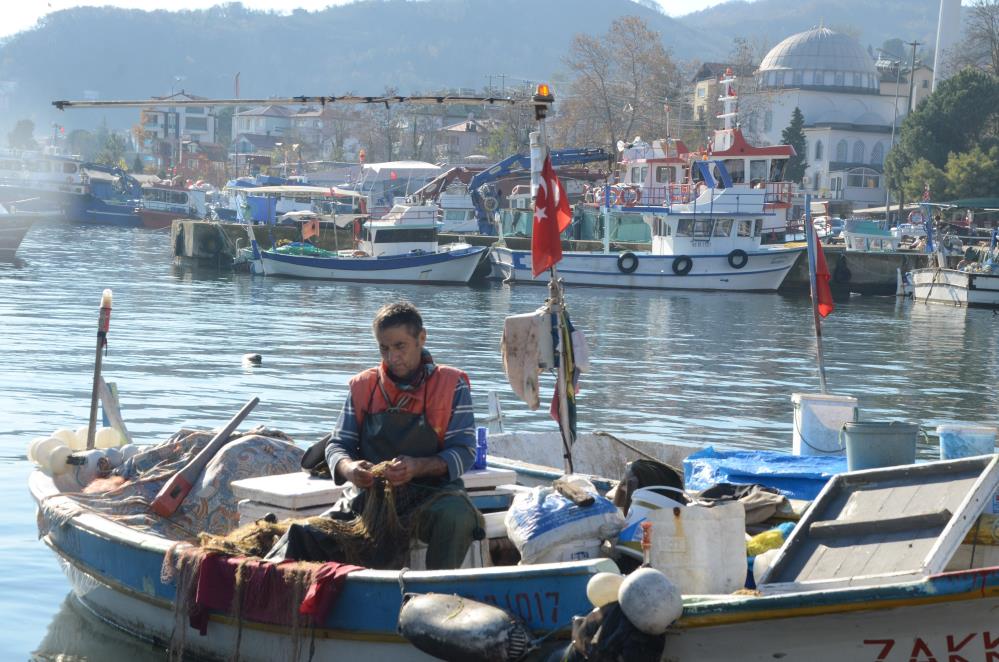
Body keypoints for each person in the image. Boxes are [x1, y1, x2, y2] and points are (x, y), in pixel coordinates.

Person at [268, 301, 480, 570]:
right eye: (384, 348)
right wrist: (349, 468)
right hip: (368, 499)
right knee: (303, 535)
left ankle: (433, 596)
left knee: (458, 516)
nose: (392, 357)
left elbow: (464, 451)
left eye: (400, 346)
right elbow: (338, 445)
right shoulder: (363, 385)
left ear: (421, 338)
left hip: (432, 495)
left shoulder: (452, 383)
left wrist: (417, 467)